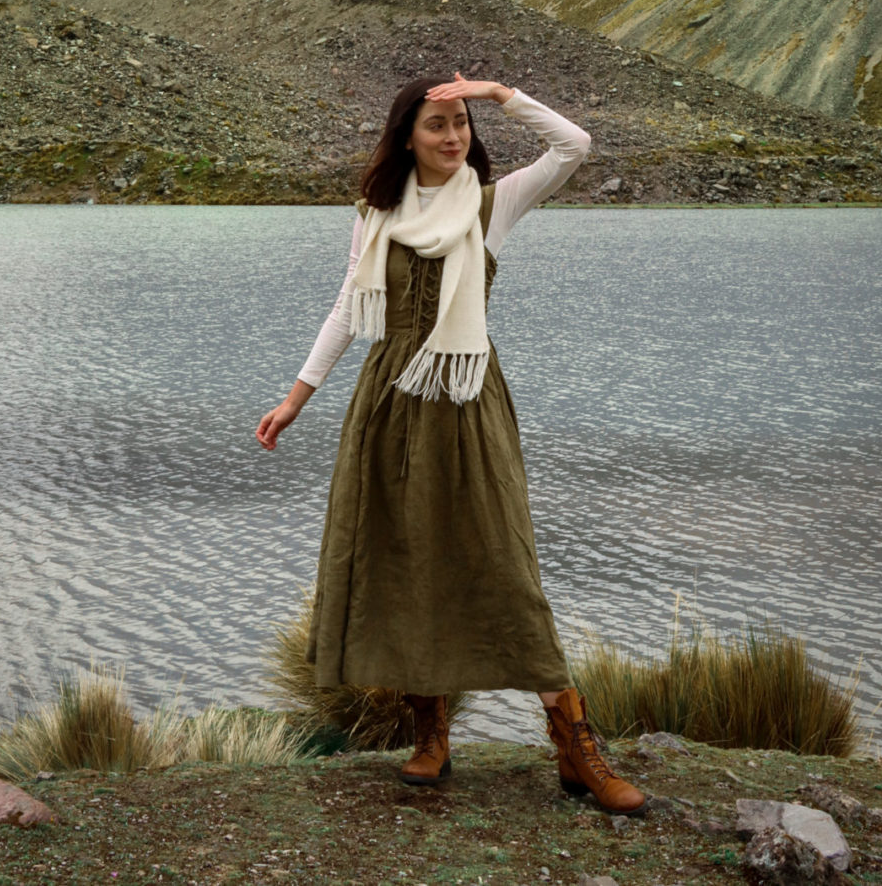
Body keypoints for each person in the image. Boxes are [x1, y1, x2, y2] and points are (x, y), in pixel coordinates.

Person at [256, 73, 646, 813]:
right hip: (389, 404)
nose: (452, 137)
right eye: (437, 124)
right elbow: (348, 306)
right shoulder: (375, 213)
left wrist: (503, 95)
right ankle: (430, 736)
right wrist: (295, 397)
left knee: (505, 563)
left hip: (467, 402)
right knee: (405, 561)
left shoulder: (493, 204)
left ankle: (577, 749)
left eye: (462, 123)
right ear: (407, 134)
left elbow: (575, 146)